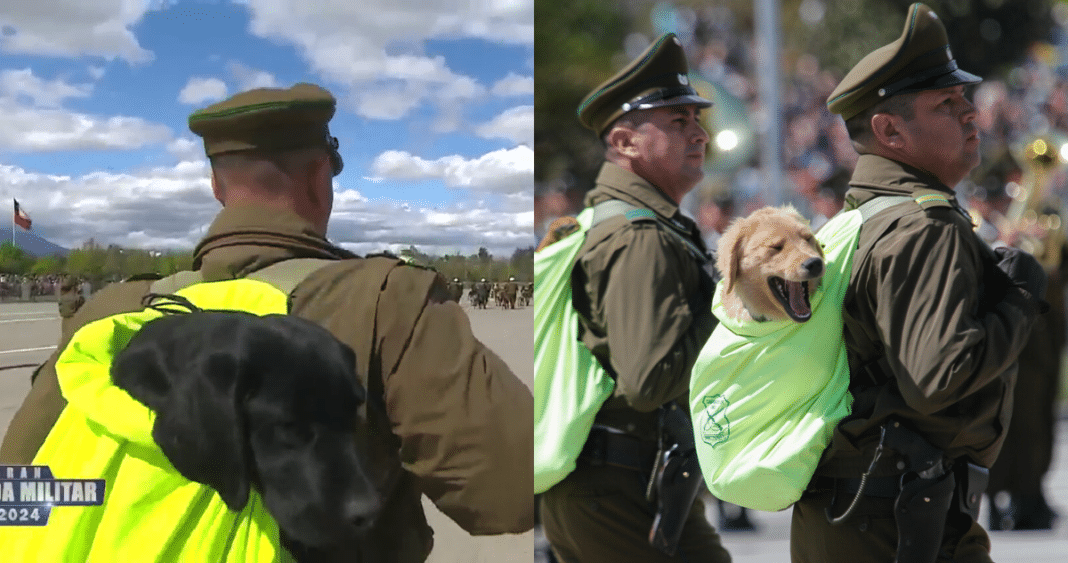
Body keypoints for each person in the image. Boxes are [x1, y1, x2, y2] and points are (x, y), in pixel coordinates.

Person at [0, 83, 534, 561]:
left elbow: (20, 487)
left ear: (216, 186)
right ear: (322, 177)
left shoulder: (111, 311)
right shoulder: (388, 298)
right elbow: (508, 495)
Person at [792, 5, 1047, 562]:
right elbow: (940, 378)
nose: (970, 115)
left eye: (965, 100)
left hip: (870, 511)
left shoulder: (859, 219)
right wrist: (1020, 300)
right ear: (889, 130)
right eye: (946, 105)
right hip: (900, 520)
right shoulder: (923, 226)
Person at [538, 33, 730, 563]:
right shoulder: (640, 237)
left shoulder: (618, 221)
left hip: (623, 483)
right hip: (623, 487)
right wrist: (734, 310)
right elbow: (648, 380)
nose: (699, 134)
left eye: (697, 120)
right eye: (677, 122)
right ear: (624, 142)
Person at [971, 150, 1066, 531]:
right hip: (1004, 340)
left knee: (1037, 421)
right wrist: (1005, 242)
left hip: (1041, 338)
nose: (1002, 203)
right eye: (994, 197)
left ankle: (1031, 494)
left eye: (1004, 194)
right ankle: (998, 500)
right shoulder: (977, 228)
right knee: (1007, 424)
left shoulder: (1033, 219)